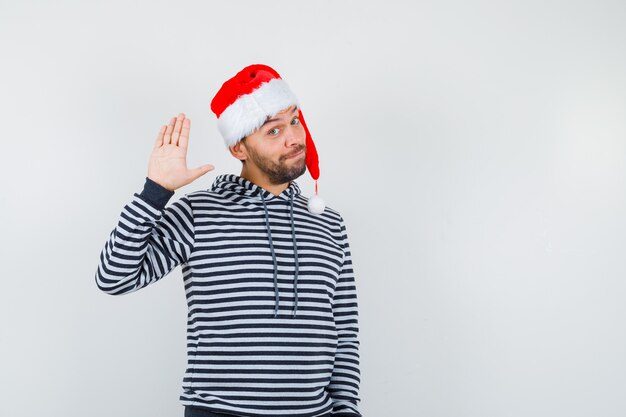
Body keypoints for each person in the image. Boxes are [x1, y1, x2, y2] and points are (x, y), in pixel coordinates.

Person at [95, 64, 362, 417]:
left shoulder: (328, 222)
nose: (294, 138)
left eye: (294, 121)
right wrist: (156, 192)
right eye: (274, 130)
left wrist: (345, 409)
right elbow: (114, 277)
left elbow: (343, 329)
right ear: (239, 148)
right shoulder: (198, 213)